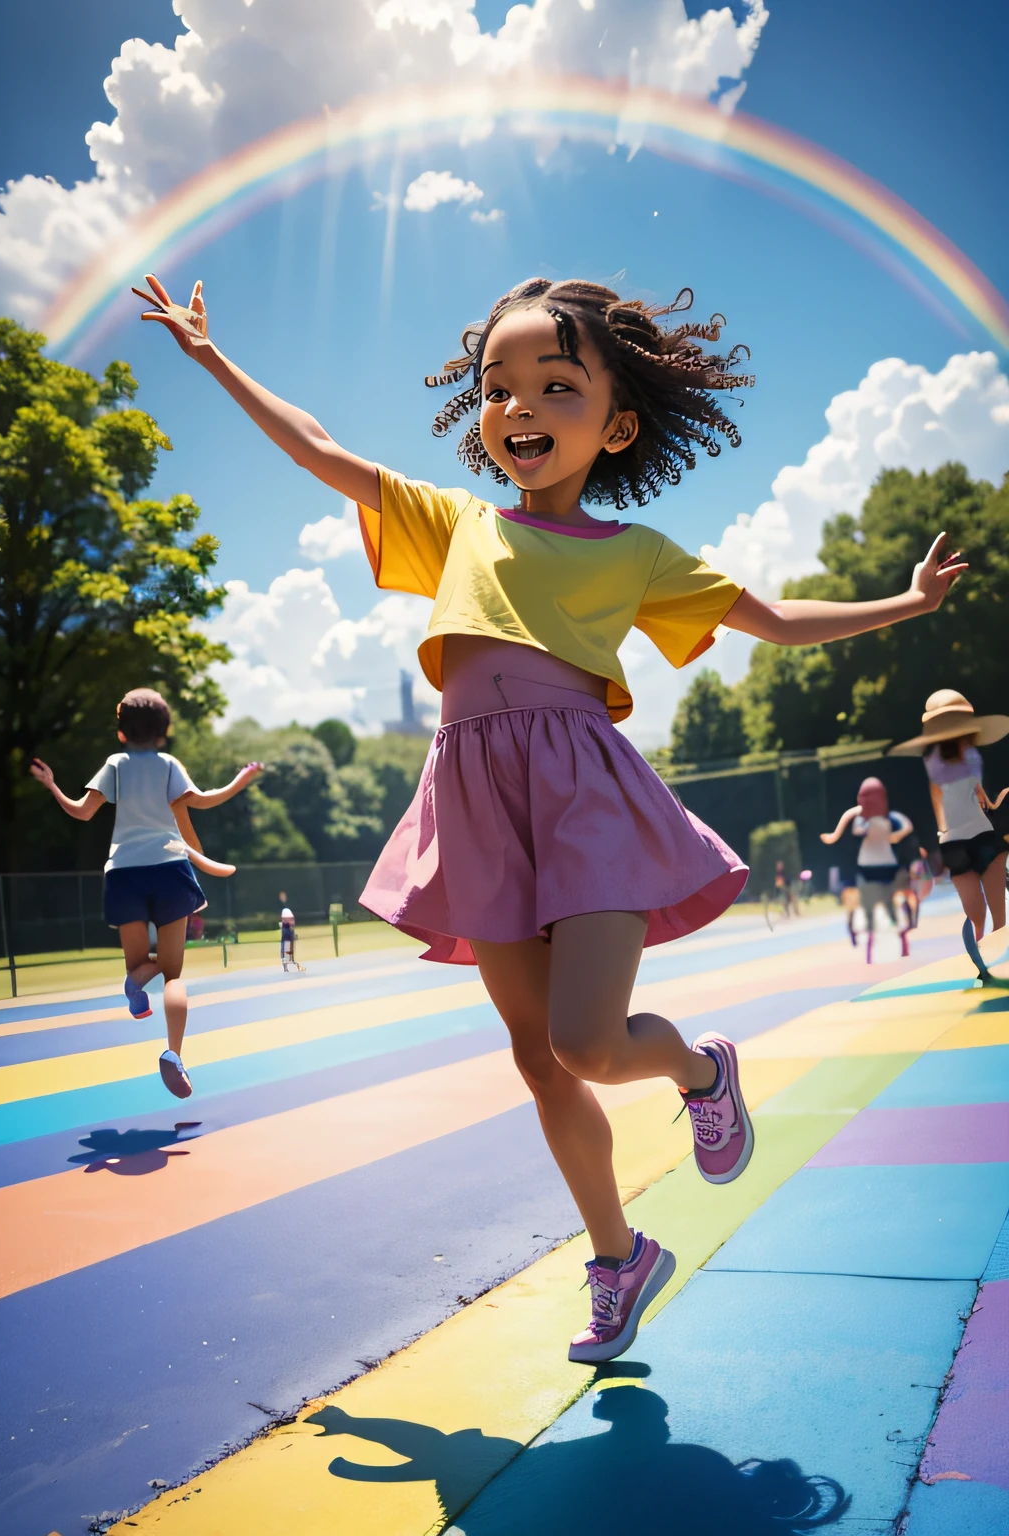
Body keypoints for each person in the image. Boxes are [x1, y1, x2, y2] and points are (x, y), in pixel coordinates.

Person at [139, 270, 965, 1360]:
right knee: (537, 1060)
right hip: (474, 796)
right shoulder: (456, 523)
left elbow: (772, 618)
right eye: (498, 388)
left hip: (583, 796)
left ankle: (698, 1070)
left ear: (617, 423)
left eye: (555, 385)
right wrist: (209, 356)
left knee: (584, 1041)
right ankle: (619, 1258)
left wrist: (905, 602)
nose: (519, 407)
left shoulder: (636, 554)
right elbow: (316, 446)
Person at [30, 687, 262, 1098]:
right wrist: (240, 780)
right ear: (163, 732)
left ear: (121, 732)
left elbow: (83, 812)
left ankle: (135, 984)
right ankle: (173, 1054)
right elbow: (203, 801)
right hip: (170, 869)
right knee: (174, 976)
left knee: (140, 966)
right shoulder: (168, 764)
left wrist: (51, 785)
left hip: (124, 874)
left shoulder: (115, 764)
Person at [890, 689, 1009, 941]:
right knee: (993, 914)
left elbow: (952, 797)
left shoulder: (935, 761)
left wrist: (944, 830)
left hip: (955, 841)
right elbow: (971, 793)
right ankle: (992, 953)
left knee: (981, 915)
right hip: (975, 836)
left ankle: (985, 955)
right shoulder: (967, 757)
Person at [820, 778, 914, 962]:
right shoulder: (886, 817)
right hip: (885, 866)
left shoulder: (864, 819)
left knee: (871, 908)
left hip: (870, 867)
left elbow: (857, 831)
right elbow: (907, 825)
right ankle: (897, 933)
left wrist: (871, 825)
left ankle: (875, 943)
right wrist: (894, 835)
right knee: (887, 906)